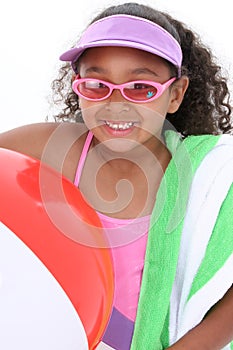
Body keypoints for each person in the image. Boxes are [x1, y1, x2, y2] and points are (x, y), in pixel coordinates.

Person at [1, 2, 233, 349]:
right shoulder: (49, 148)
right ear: (77, 85)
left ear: (176, 94)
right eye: (97, 85)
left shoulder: (209, 179)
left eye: (141, 88)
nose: (116, 103)